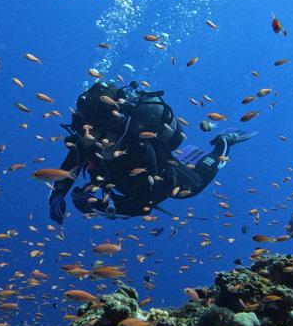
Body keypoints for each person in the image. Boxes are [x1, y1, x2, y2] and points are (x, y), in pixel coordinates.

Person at [48, 81, 254, 222]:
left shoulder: (138, 142)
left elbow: (147, 202)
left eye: (92, 131)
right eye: (83, 130)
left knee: (193, 187)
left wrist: (101, 206)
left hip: (164, 180)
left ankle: (224, 141)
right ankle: (192, 155)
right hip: (127, 180)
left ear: (110, 125)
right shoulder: (87, 139)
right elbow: (69, 166)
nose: (86, 136)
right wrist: (58, 194)